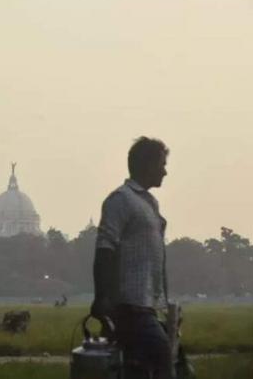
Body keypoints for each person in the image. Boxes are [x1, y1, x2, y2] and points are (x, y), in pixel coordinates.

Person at [91, 137, 172, 379]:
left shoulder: (148, 203)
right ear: (146, 165)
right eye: (161, 164)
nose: (165, 172)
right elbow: (105, 250)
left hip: (146, 305)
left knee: (139, 367)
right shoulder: (121, 200)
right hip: (128, 304)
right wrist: (102, 297)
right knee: (160, 354)